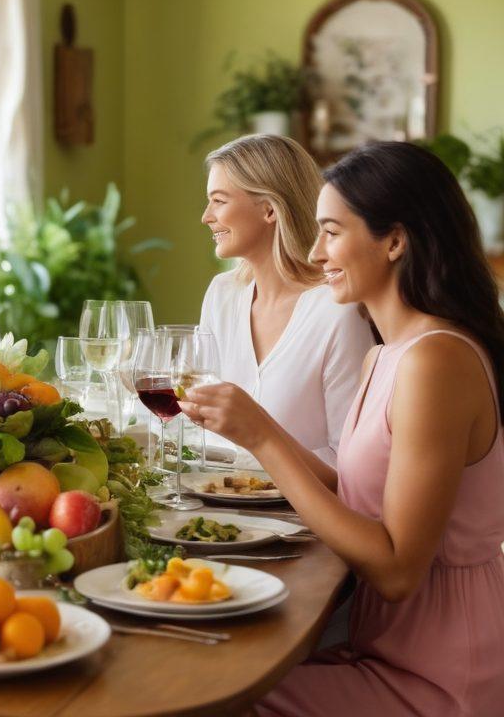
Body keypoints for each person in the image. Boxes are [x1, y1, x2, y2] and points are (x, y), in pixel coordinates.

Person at [181, 142, 504, 716]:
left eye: (331, 232)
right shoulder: (388, 356)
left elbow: (398, 569)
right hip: (380, 641)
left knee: (205, 700)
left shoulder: (436, 362)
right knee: (208, 666)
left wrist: (262, 436)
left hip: (439, 671)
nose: (314, 251)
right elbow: (354, 493)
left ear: (395, 241)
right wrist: (255, 435)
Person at [199, 134, 375, 465]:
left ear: (269, 209)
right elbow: (202, 429)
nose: (206, 216)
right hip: (216, 501)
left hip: (299, 514)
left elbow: (350, 462)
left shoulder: (338, 309)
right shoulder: (221, 294)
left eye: (219, 201)